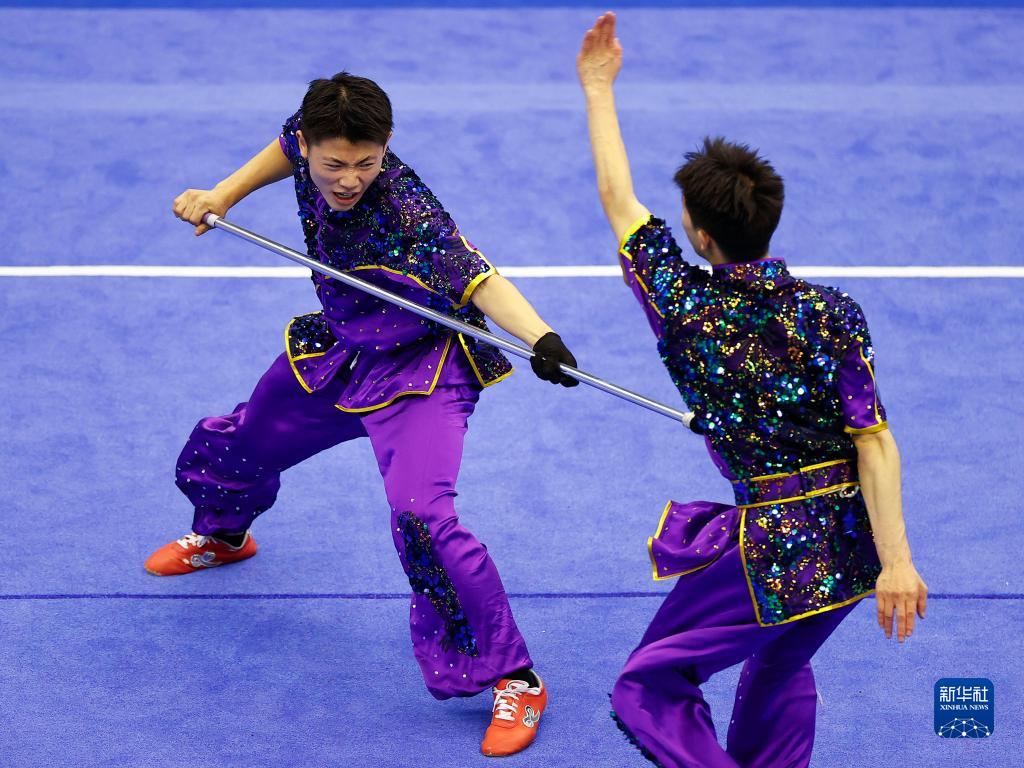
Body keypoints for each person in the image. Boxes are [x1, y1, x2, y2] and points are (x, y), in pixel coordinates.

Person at [149, 72, 577, 758]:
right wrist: (221, 195)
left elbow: (481, 280)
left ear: (388, 145)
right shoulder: (305, 144)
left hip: (422, 368)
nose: (349, 179)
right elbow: (282, 149)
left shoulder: (409, 210)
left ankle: (516, 678)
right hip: (345, 347)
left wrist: (543, 339)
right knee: (247, 440)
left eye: (366, 163)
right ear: (311, 145)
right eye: (333, 165)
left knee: (423, 515)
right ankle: (225, 536)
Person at [576, 13, 928, 767]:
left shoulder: (684, 307)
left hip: (774, 547)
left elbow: (617, 199)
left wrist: (598, 87)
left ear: (701, 237)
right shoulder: (834, 311)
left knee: (647, 685)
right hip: (855, 547)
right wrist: (897, 561)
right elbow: (874, 440)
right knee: (777, 667)